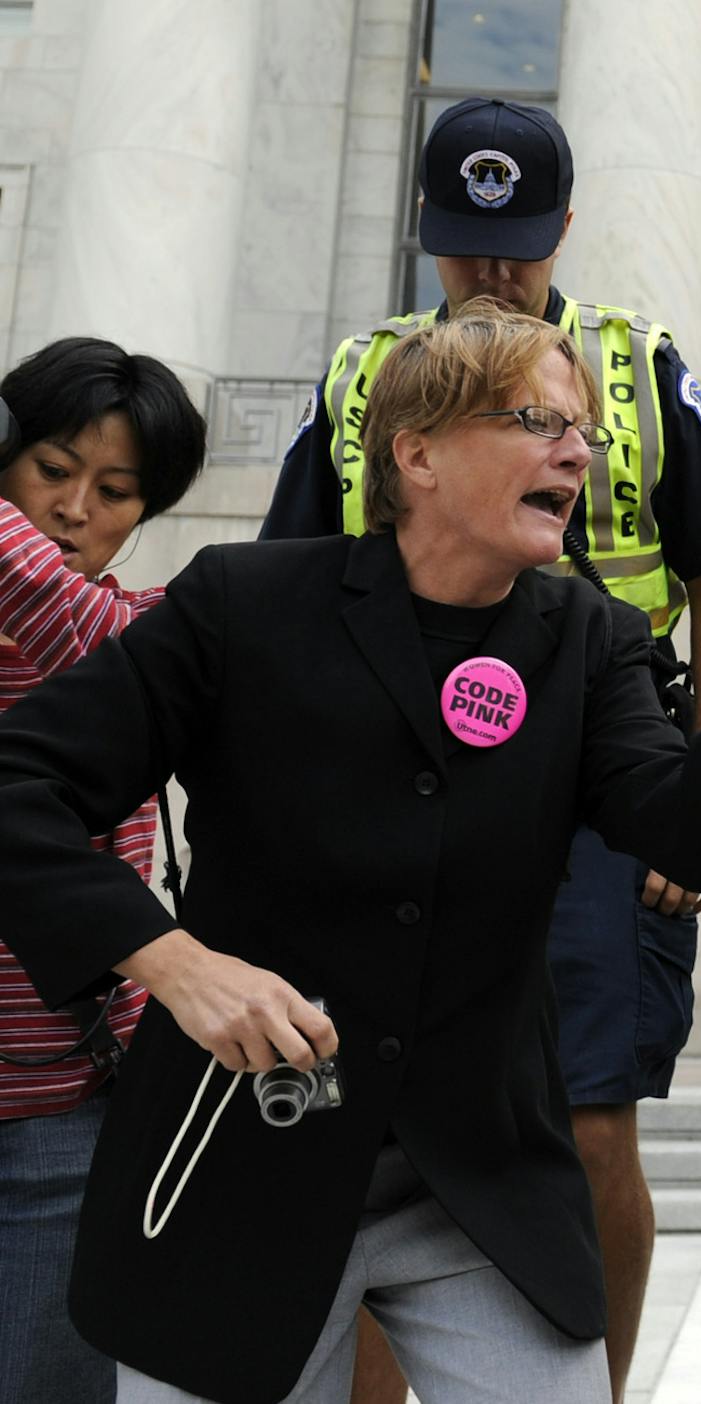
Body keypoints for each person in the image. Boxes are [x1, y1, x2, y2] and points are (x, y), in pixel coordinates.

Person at [0, 303, 701, 1404]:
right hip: (241, 1167)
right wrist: (174, 963)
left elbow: (679, 826)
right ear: (418, 452)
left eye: (582, 429)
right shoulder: (241, 606)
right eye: (538, 419)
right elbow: (21, 790)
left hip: (477, 1181)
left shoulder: (586, 635)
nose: (578, 451)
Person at [258, 97, 701, 1402]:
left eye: (521, 243)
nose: (495, 272)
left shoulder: (640, 366)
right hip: (387, 800)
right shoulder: (363, 378)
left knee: (590, 1124)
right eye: (467, 243)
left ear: (565, 230)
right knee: (366, 1136)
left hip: (602, 795)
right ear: (428, 236)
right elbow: (283, 598)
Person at [0, 339, 206, 1404]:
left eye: (115, 489)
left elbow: (100, 646)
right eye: (49, 469)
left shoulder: (137, 635)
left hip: (59, 1112)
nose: (74, 508)